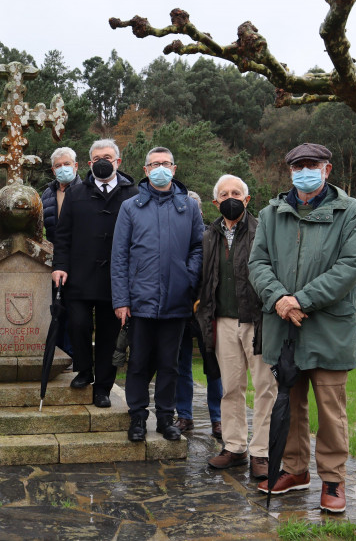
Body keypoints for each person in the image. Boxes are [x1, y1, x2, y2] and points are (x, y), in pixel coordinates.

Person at [249, 143, 356, 513]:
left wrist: (301, 300)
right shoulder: (271, 213)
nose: (305, 171)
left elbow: (350, 266)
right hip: (283, 326)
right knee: (289, 404)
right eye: (298, 165)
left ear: (327, 169)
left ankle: (333, 480)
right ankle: (295, 470)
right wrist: (280, 298)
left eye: (312, 165)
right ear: (289, 172)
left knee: (331, 410)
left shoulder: (351, 211)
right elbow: (258, 263)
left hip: (328, 329)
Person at [111, 147, 203, 441]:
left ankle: (166, 418)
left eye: (166, 163)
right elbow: (119, 256)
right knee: (138, 362)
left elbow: (198, 247)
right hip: (140, 301)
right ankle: (137, 417)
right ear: (146, 169)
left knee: (169, 364)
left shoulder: (189, 207)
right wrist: (121, 300)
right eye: (155, 164)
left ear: (174, 169)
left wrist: (187, 277)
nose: (160, 168)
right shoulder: (130, 207)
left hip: (177, 300)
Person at [197, 175, 277, 479]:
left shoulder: (262, 231)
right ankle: (234, 446)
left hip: (258, 320)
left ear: (247, 199)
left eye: (236, 193)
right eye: (224, 194)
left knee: (265, 388)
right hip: (223, 321)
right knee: (230, 388)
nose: (230, 197)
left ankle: (262, 452)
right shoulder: (209, 235)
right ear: (215, 202)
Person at [51, 138, 138, 408]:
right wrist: (59, 265)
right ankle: (84, 370)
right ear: (89, 163)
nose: (103, 161)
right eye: (98, 157)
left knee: (109, 337)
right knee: (77, 325)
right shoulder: (75, 193)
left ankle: (102, 387)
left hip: (116, 280)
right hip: (79, 275)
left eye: (108, 157)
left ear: (118, 162)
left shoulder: (133, 194)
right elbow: (62, 235)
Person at [175, 190, 224, 440]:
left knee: (213, 366)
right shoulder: (175, 235)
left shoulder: (214, 236)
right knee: (180, 365)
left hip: (207, 311)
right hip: (180, 309)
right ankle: (184, 415)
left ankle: (218, 418)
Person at [41, 146, 81, 357]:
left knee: (76, 316)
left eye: (67, 164)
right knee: (57, 312)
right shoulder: (47, 194)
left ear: (76, 166)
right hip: (54, 263)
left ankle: (74, 359)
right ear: (53, 169)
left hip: (80, 263)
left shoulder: (87, 190)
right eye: (58, 165)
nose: (63, 168)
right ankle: (55, 357)